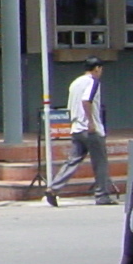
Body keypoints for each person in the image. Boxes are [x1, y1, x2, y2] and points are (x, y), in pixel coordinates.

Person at [47, 59, 118, 205]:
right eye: (100, 69)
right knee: (100, 163)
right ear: (97, 68)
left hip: (76, 128)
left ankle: (54, 188)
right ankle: (102, 195)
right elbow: (87, 101)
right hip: (90, 129)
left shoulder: (75, 83)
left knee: (72, 160)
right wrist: (91, 122)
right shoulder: (93, 82)